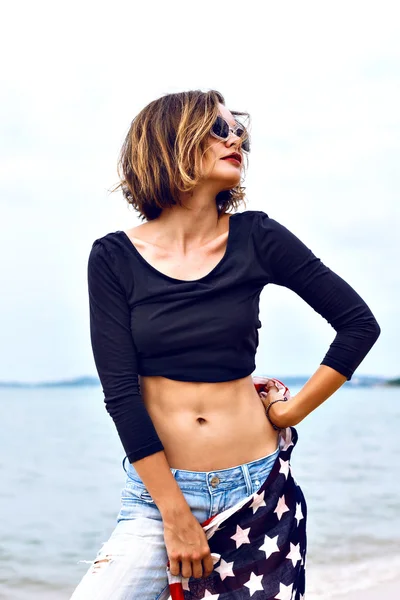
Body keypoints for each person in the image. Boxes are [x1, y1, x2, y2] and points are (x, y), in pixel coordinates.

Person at [69, 89, 381, 600]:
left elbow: (357, 324)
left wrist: (291, 412)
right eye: (218, 129)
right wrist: (174, 514)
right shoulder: (113, 258)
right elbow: (121, 394)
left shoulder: (258, 236)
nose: (236, 138)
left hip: (261, 493)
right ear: (171, 142)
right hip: (160, 495)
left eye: (239, 131)